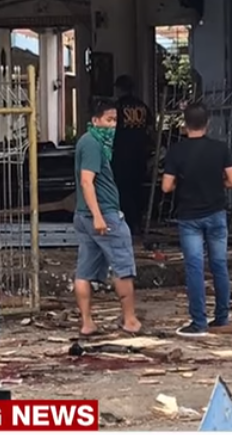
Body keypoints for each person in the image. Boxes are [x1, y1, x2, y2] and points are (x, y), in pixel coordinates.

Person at [161, 103, 232, 337]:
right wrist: (218, 183)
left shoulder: (177, 151)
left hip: (189, 217)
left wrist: (181, 184)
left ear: (184, 125)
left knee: (195, 268)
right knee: (219, 266)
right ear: (208, 124)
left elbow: (166, 187)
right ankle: (222, 317)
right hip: (216, 214)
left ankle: (198, 322)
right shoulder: (220, 148)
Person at [73, 99, 143, 337]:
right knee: (123, 266)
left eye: (115, 121)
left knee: (85, 271)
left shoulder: (89, 142)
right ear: (95, 121)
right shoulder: (93, 144)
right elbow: (86, 181)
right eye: (108, 120)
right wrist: (99, 216)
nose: (113, 126)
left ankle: (87, 323)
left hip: (84, 216)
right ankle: (130, 320)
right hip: (103, 215)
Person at [111, 75, 156, 235]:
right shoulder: (143, 107)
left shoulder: (117, 108)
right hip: (140, 155)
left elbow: (110, 131)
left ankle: (128, 223)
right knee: (137, 188)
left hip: (121, 155)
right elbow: (151, 130)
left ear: (119, 89)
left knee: (123, 190)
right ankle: (138, 221)